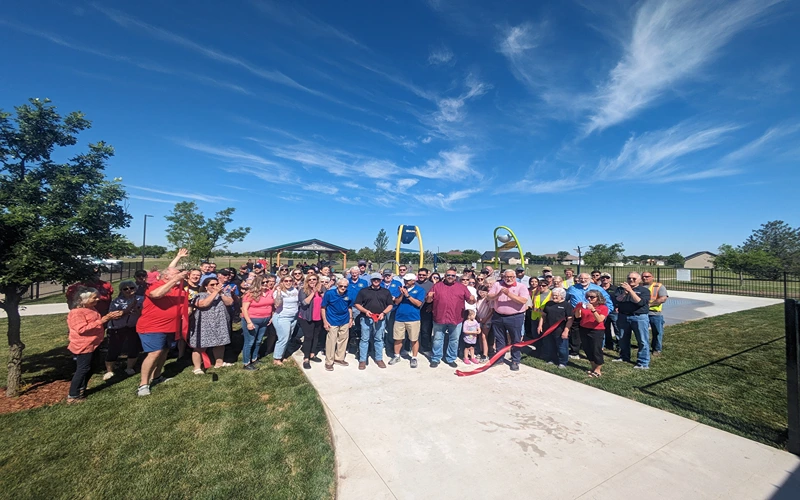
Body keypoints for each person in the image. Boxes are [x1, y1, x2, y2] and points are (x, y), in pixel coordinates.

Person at [136, 267, 188, 397]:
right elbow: (156, 295)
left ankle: (157, 376)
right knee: (154, 353)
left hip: (170, 327)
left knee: (164, 351)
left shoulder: (179, 290)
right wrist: (176, 278)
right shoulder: (155, 286)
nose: (180, 275)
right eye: (176, 273)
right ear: (166, 276)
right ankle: (143, 384)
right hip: (152, 327)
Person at [66, 287, 124, 403]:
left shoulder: (91, 308)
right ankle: (73, 396)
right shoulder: (76, 313)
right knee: (83, 368)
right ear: (82, 300)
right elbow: (81, 329)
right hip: (83, 345)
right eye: (94, 297)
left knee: (93, 366)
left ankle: (82, 388)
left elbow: (95, 322)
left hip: (94, 343)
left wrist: (109, 317)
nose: (98, 299)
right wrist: (103, 320)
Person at [426, 268, 476, 368]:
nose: (450, 277)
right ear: (445, 275)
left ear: (455, 277)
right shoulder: (437, 286)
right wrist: (429, 297)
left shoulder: (461, 287)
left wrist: (472, 299)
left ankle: (451, 358)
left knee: (454, 340)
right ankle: (436, 358)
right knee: (437, 339)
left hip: (456, 318)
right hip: (440, 317)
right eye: (448, 275)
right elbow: (428, 301)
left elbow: (470, 301)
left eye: (453, 275)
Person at [487, 270, 530, 371]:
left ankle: (515, 360)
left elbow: (523, 300)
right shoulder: (497, 284)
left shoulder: (521, 286)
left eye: (511, 277)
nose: (509, 279)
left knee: (515, 339)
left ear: (515, 277)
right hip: (498, 316)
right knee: (500, 339)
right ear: (503, 277)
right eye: (507, 277)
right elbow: (489, 296)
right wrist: (498, 294)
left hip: (515, 317)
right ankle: (499, 358)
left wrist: (509, 294)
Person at [188, 277, 233, 373]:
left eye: (216, 284)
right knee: (200, 345)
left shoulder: (223, 293)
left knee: (220, 343)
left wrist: (221, 293)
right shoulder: (200, 295)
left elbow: (229, 303)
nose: (215, 286)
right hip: (203, 323)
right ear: (205, 286)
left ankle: (219, 363)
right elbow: (204, 304)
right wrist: (215, 293)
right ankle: (197, 367)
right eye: (212, 285)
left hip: (220, 321)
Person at [566, 273, 613, 359]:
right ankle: (575, 352)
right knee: (575, 333)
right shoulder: (572, 288)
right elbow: (566, 299)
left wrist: (603, 313)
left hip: (593, 315)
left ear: (590, 278)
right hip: (578, 314)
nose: (583, 280)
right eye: (581, 278)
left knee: (594, 335)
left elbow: (608, 303)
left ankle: (596, 352)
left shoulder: (598, 289)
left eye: (585, 278)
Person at [103, 280, 143, 380]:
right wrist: (129, 309)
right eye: (125, 289)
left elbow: (143, 314)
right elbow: (115, 315)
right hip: (117, 328)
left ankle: (129, 367)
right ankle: (109, 371)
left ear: (136, 288)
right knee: (114, 349)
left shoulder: (142, 299)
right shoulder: (117, 301)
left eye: (132, 288)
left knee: (133, 347)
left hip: (133, 327)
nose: (129, 290)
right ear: (121, 290)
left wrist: (137, 310)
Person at [354, 273, 394, 370]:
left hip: (380, 318)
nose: (376, 281)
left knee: (379, 339)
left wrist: (383, 313)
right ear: (371, 280)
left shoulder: (386, 291)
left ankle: (379, 358)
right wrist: (365, 311)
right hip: (366, 318)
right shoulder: (364, 291)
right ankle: (363, 360)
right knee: (364, 339)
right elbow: (357, 304)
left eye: (378, 279)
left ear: (381, 280)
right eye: (374, 279)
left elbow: (390, 305)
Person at [613, 272, 652, 369]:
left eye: (634, 279)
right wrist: (624, 293)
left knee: (642, 340)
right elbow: (618, 300)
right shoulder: (620, 289)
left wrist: (630, 291)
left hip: (639, 317)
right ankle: (624, 356)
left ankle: (643, 362)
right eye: (629, 278)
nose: (631, 280)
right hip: (623, 316)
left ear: (639, 280)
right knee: (622, 338)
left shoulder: (644, 291)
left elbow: (640, 302)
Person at [388, 273, 426, 368]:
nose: (405, 282)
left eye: (408, 280)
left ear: (413, 281)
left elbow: (418, 304)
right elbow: (396, 302)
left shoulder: (420, 290)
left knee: (413, 339)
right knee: (398, 338)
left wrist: (408, 296)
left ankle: (414, 357)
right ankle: (397, 356)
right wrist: (401, 294)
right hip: (399, 318)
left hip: (413, 318)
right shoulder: (400, 288)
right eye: (405, 280)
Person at [241, 274, 275, 370]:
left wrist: (271, 317)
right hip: (252, 319)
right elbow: (244, 309)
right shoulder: (250, 294)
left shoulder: (270, 292)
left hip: (265, 320)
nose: (265, 284)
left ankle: (255, 358)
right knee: (250, 341)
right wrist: (248, 322)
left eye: (267, 282)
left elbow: (272, 306)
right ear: (257, 283)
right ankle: (246, 362)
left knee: (259, 340)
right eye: (263, 282)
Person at [321, 278, 354, 371]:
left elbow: (349, 307)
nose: (343, 288)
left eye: (345, 286)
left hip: (345, 320)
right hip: (332, 320)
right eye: (341, 286)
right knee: (331, 341)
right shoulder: (329, 294)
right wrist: (325, 321)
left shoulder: (349, 294)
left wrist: (351, 319)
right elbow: (323, 307)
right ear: (337, 285)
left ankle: (339, 358)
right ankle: (329, 362)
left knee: (343, 340)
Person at [574, 291, 608, 377]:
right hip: (584, 328)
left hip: (596, 330)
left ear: (598, 298)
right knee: (587, 348)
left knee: (596, 349)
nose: (589, 298)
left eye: (592, 297)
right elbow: (578, 316)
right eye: (588, 297)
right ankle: (593, 366)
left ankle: (598, 369)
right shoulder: (585, 305)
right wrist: (578, 309)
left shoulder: (603, 307)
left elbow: (600, 320)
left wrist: (593, 310)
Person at [538, 288, 574, 369]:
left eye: (556, 296)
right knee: (550, 346)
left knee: (562, 348)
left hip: (560, 330)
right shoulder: (548, 303)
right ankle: (551, 359)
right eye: (553, 295)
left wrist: (566, 331)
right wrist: (540, 325)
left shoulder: (567, 305)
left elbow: (570, 319)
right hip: (548, 329)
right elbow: (543, 316)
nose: (554, 297)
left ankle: (563, 362)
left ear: (562, 296)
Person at [298, 273, 325, 369]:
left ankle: (312, 354)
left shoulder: (321, 290)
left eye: (314, 279)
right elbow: (304, 303)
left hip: (318, 317)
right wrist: (313, 293)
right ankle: (306, 358)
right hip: (306, 317)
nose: (312, 281)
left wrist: (321, 292)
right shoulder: (303, 290)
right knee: (308, 337)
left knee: (316, 336)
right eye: (310, 280)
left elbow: (326, 300)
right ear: (307, 281)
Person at [272, 273, 300, 366]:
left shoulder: (294, 290)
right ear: (282, 282)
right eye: (286, 281)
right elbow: (277, 304)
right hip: (282, 317)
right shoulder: (278, 291)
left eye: (290, 281)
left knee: (288, 337)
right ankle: (276, 359)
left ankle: (282, 355)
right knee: (283, 338)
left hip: (293, 317)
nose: (288, 282)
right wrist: (279, 292)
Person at [641, 272, 669, 356]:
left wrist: (649, 305)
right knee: (642, 332)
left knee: (657, 332)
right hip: (642, 313)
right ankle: (643, 346)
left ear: (652, 277)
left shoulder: (659, 286)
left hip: (655, 313)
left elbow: (663, 298)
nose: (645, 278)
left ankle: (656, 348)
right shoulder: (639, 286)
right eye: (643, 276)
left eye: (647, 276)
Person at [415, 268, 435, 354]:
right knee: (413, 330)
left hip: (426, 310)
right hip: (414, 310)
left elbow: (436, 298)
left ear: (427, 275)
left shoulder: (432, 285)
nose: (421, 276)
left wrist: (432, 306)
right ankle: (410, 347)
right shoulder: (414, 283)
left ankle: (425, 348)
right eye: (420, 275)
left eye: (423, 275)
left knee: (425, 330)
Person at [599, 272, 618, 350]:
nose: (605, 279)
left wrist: (618, 307)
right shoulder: (597, 288)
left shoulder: (615, 289)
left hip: (614, 311)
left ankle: (619, 345)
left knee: (617, 329)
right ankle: (605, 345)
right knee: (603, 328)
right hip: (601, 311)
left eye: (607, 277)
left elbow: (619, 298)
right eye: (603, 278)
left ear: (610, 279)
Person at [475, 284, 493, 362]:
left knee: (484, 336)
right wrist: (478, 318)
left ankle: (485, 354)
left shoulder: (488, 300)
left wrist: (485, 319)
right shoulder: (477, 300)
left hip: (487, 320)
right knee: (479, 336)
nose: (482, 294)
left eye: (483, 292)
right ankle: (481, 351)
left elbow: (491, 311)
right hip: (479, 319)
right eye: (480, 292)